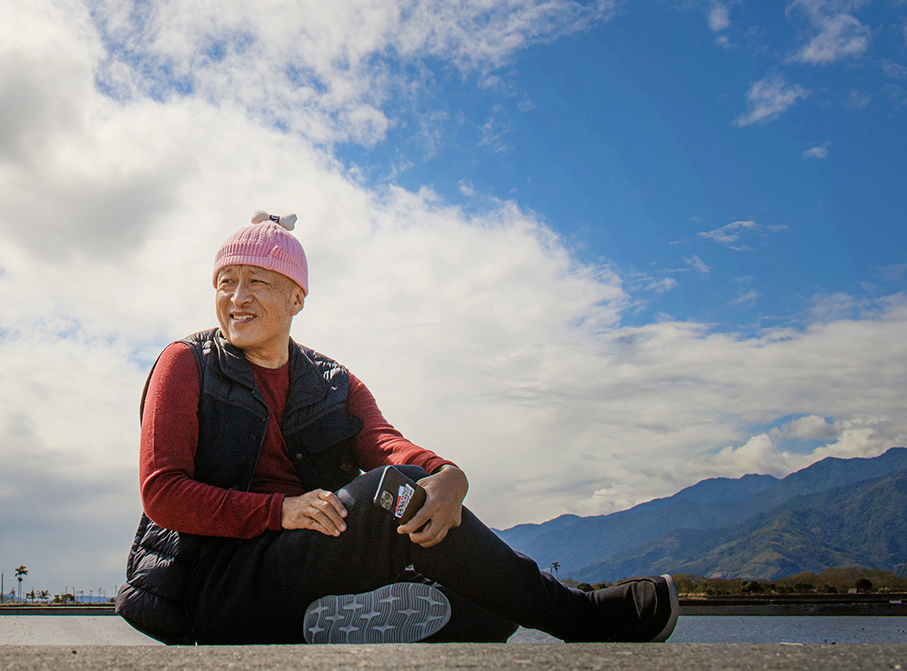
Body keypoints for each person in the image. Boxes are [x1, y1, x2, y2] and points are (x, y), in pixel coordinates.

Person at [114, 212, 679, 646]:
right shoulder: (186, 363)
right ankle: (580, 616)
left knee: (491, 611)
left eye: (257, 282)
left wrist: (449, 475)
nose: (236, 299)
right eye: (226, 282)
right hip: (216, 583)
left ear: (296, 297)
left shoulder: (331, 381)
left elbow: (385, 444)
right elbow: (163, 493)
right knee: (393, 491)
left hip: (306, 563)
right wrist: (278, 512)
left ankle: (326, 623)